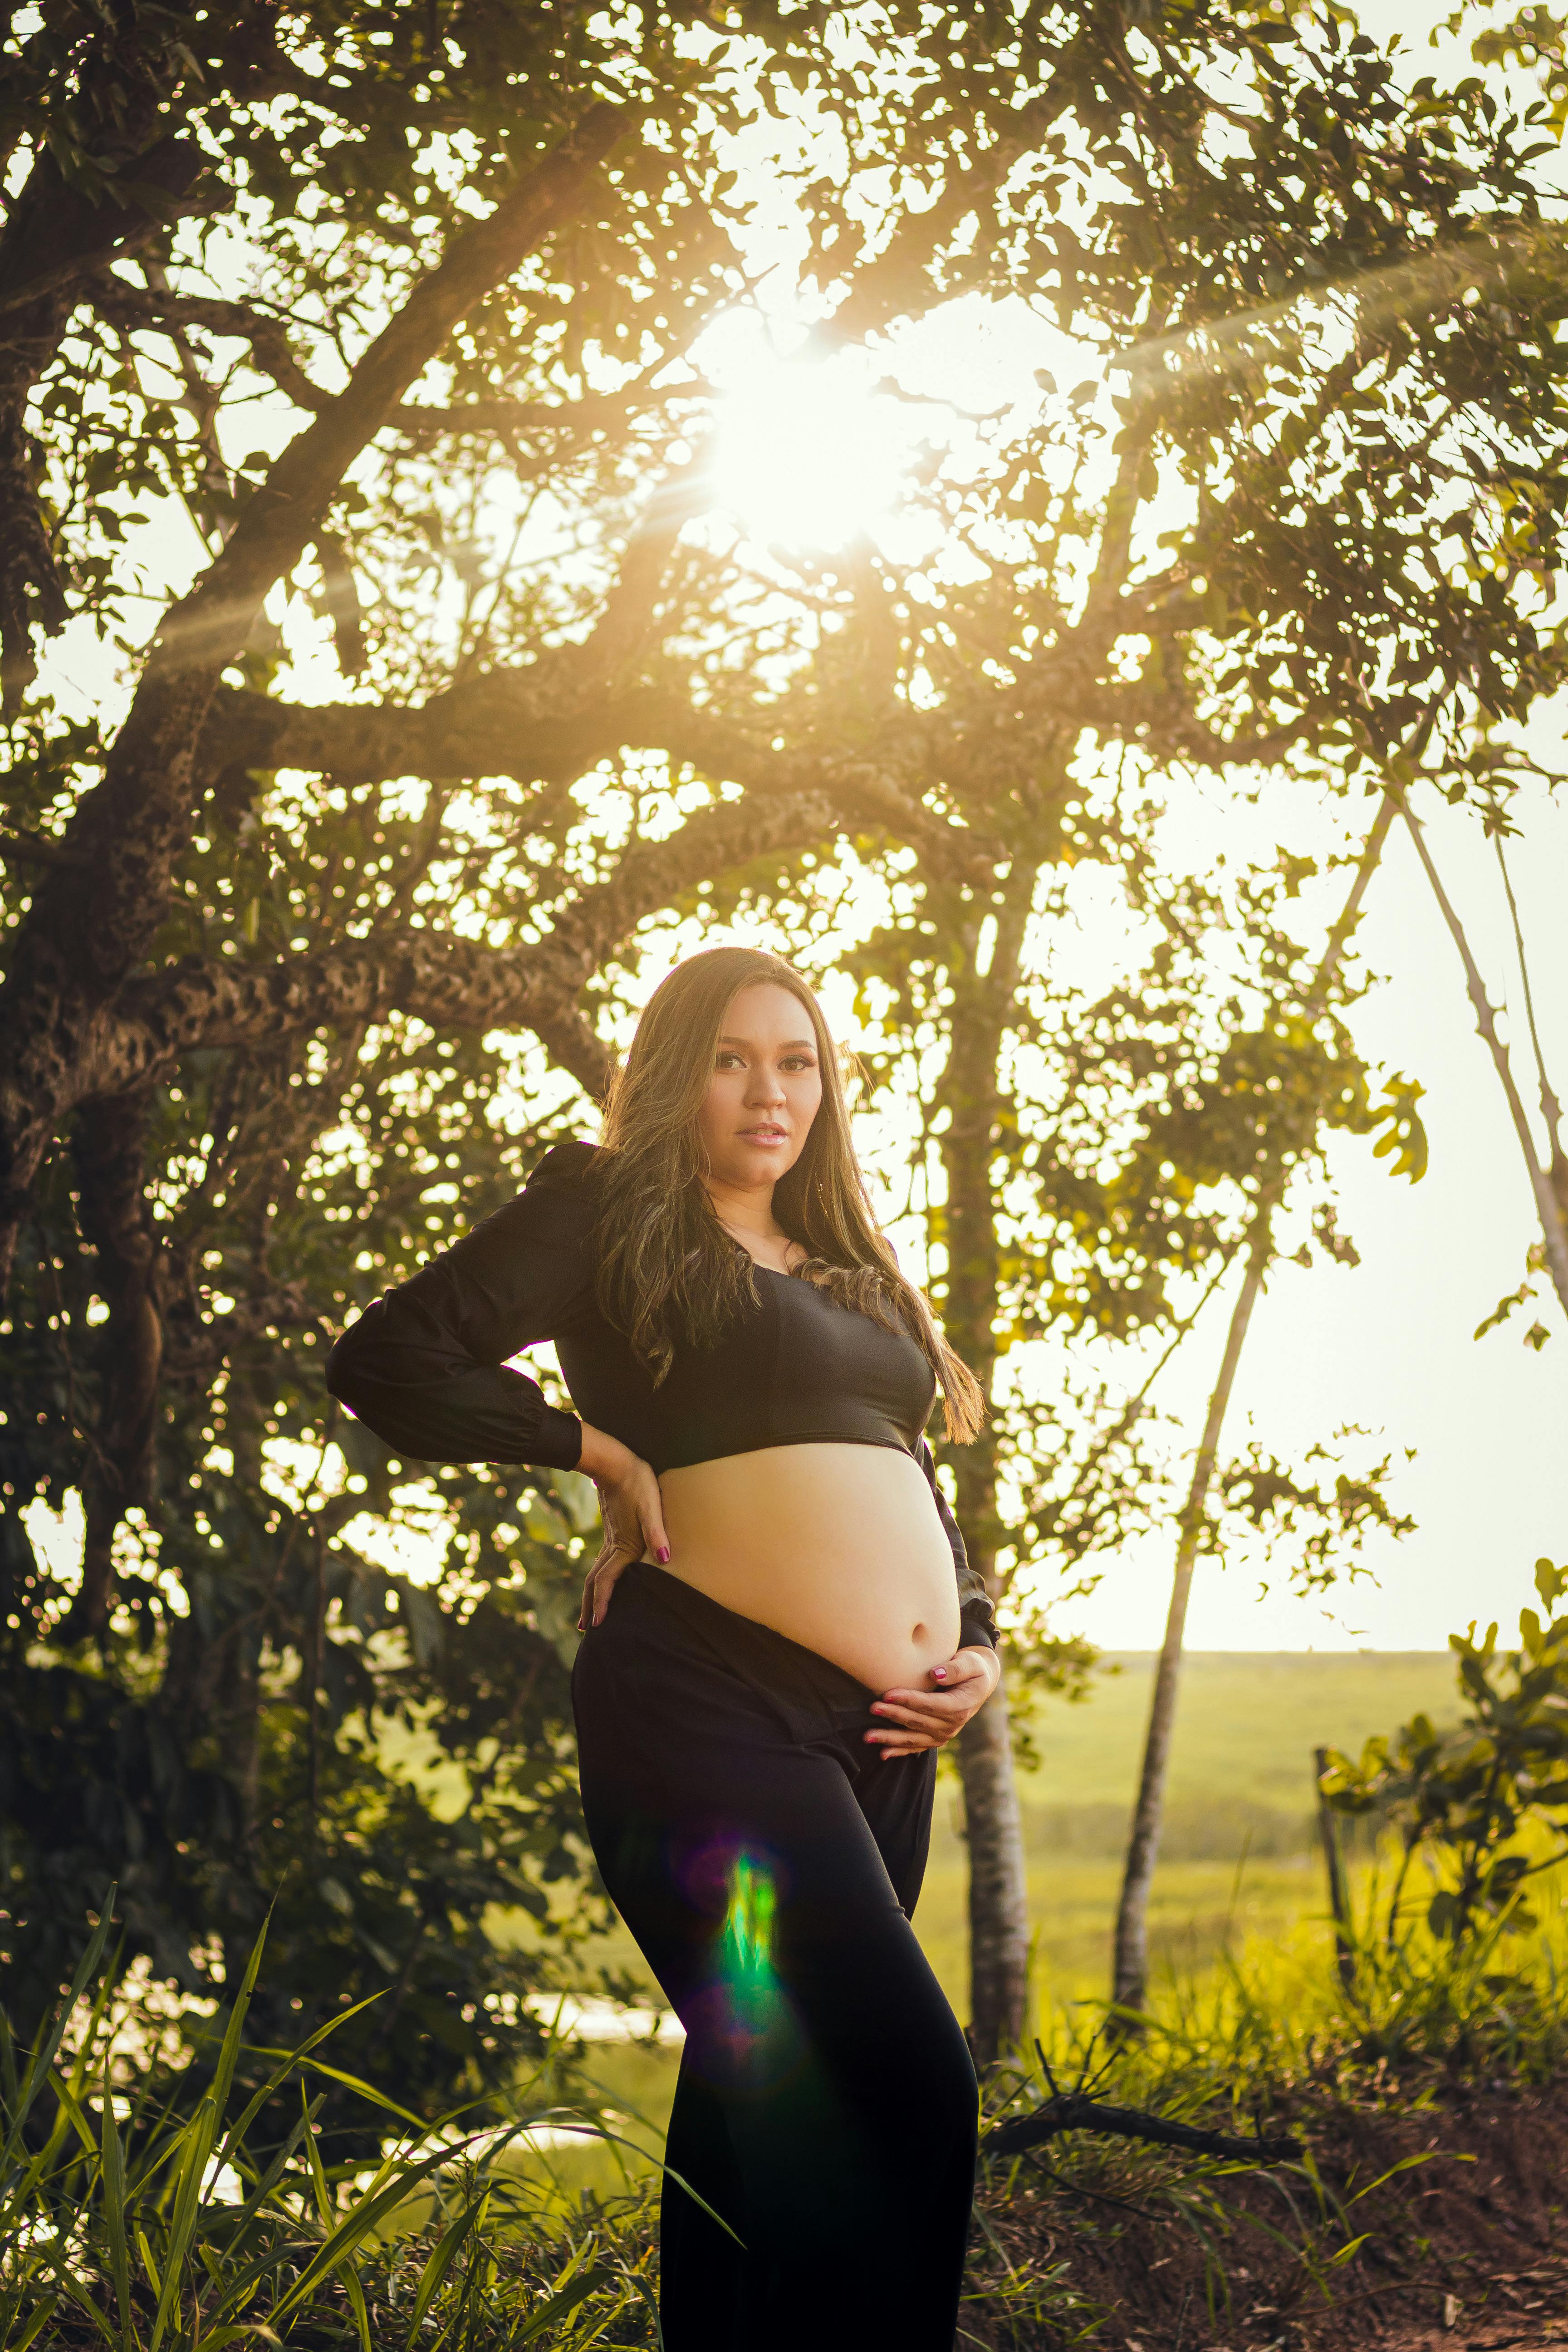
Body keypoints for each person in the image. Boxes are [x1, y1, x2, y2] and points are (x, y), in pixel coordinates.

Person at [327, 944, 1002, 2352]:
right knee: (910, 2091)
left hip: (880, 1736)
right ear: (676, 1071)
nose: (772, 1091)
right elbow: (392, 1356)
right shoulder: (609, 1212)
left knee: (766, 2131)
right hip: (705, 1706)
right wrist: (589, 1448)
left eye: (799, 1060)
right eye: (733, 1059)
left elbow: (909, 1482)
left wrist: (975, 1649)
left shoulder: (853, 1264)